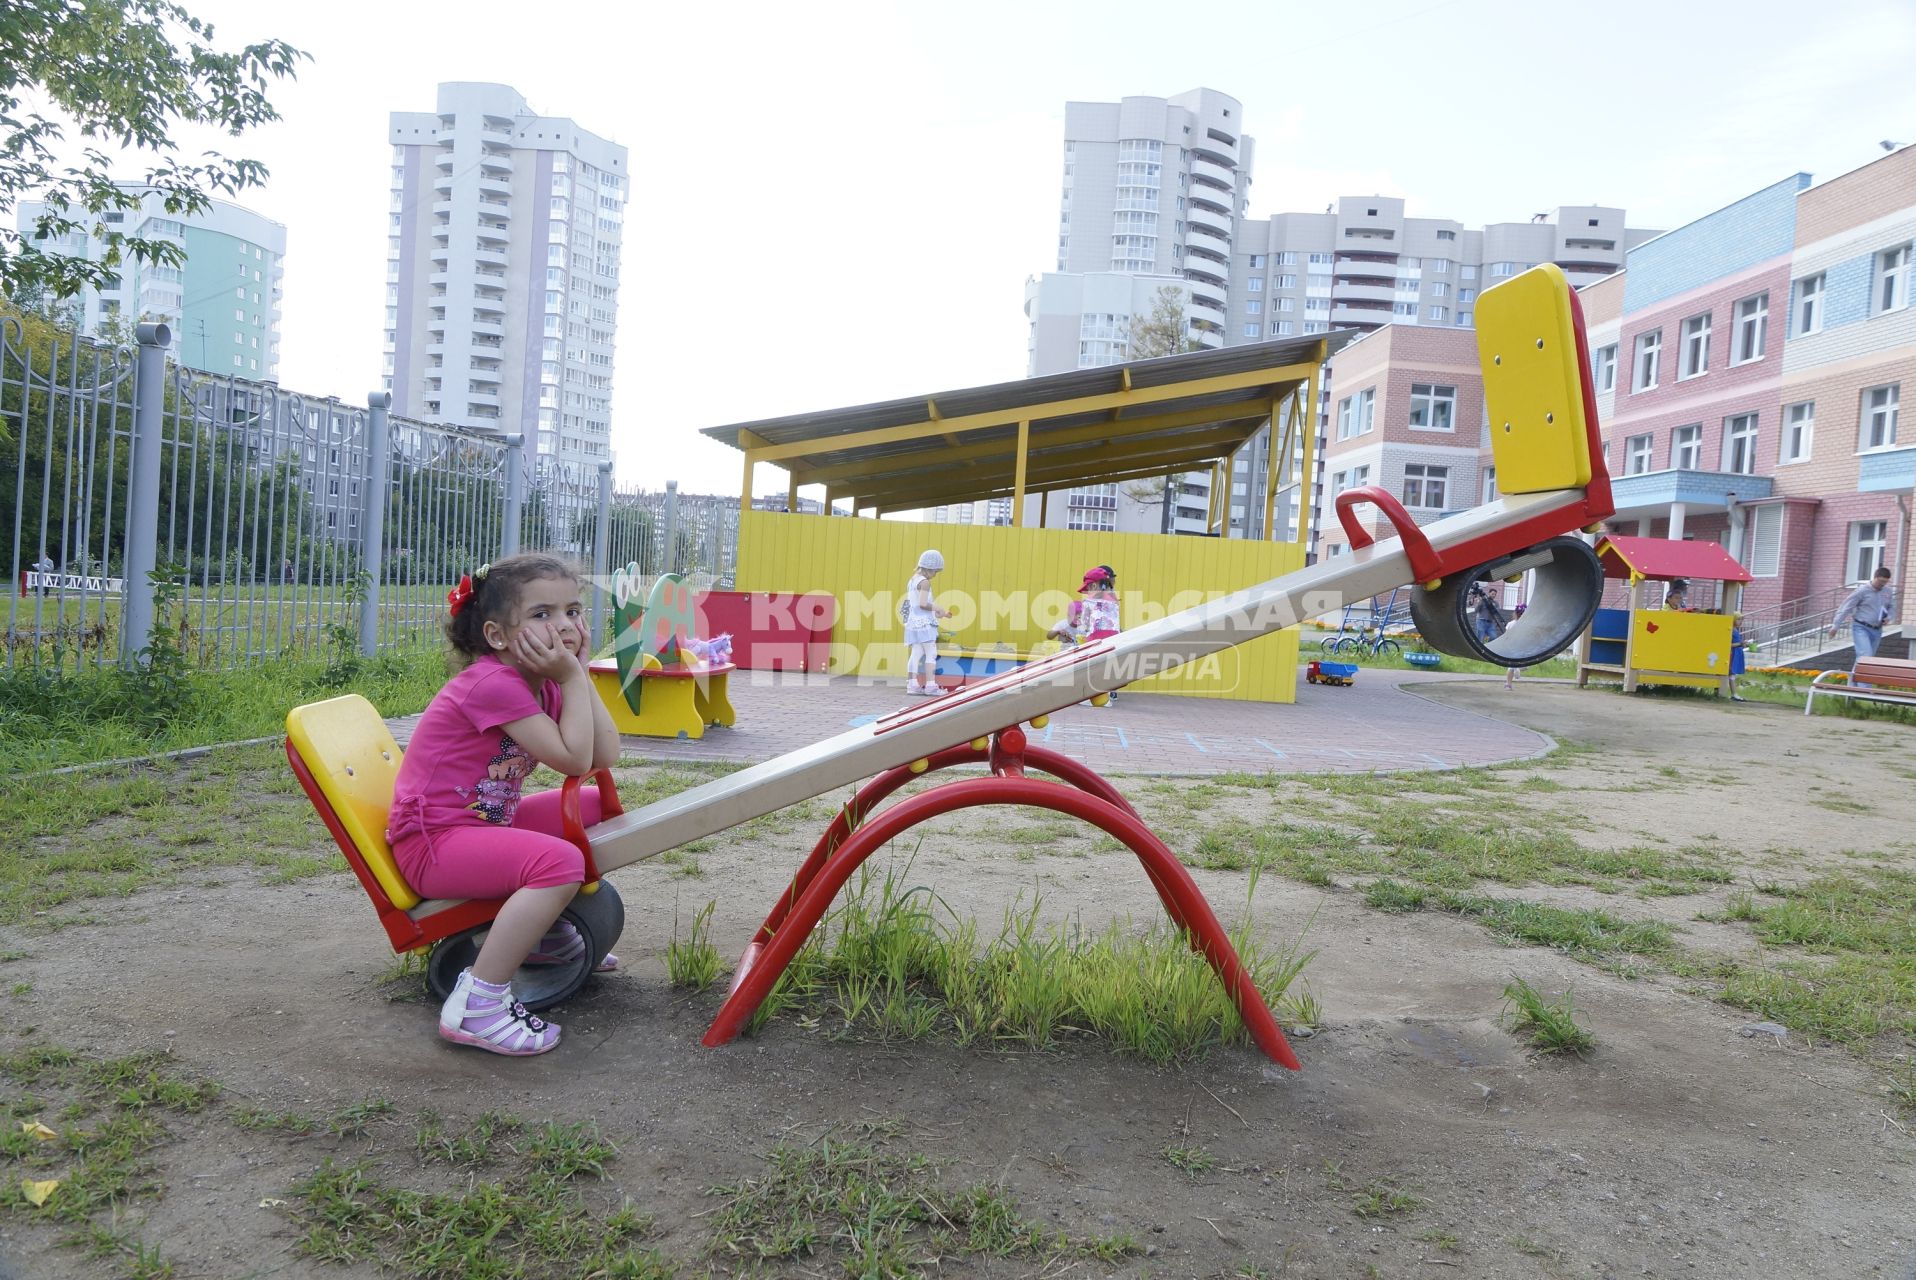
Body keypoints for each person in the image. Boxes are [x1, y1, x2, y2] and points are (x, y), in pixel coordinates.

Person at [386, 552, 622, 1057]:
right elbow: (572, 758)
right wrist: (573, 679)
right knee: (560, 862)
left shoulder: (546, 683)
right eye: (542, 615)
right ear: (497, 636)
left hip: (479, 825)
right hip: (433, 844)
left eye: (573, 611)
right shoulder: (493, 684)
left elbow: (604, 757)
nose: (564, 626)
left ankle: (543, 936)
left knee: (589, 806)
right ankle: (479, 1006)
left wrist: (578, 674)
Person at [1830, 566, 1894, 683]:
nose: (1882, 585)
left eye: (1885, 582)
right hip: (1861, 627)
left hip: (1877, 629)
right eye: (1880, 582)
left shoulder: (1887, 591)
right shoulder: (1862, 591)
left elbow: (1891, 607)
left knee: (1863, 659)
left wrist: (1889, 617)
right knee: (1866, 656)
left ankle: (1851, 689)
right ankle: (1864, 689)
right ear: (1875, 578)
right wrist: (1835, 626)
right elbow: (1846, 607)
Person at [902, 549, 952, 696]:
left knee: (916, 652)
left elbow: (916, 603)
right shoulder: (925, 583)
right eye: (935, 571)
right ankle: (931, 686)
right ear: (929, 568)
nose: (935, 575)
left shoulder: (912, 580)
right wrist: (938, 608)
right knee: (931, 653)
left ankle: (912, 685)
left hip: (913, 622)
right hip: (924, 624)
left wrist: (936, 612)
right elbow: (923, 604)